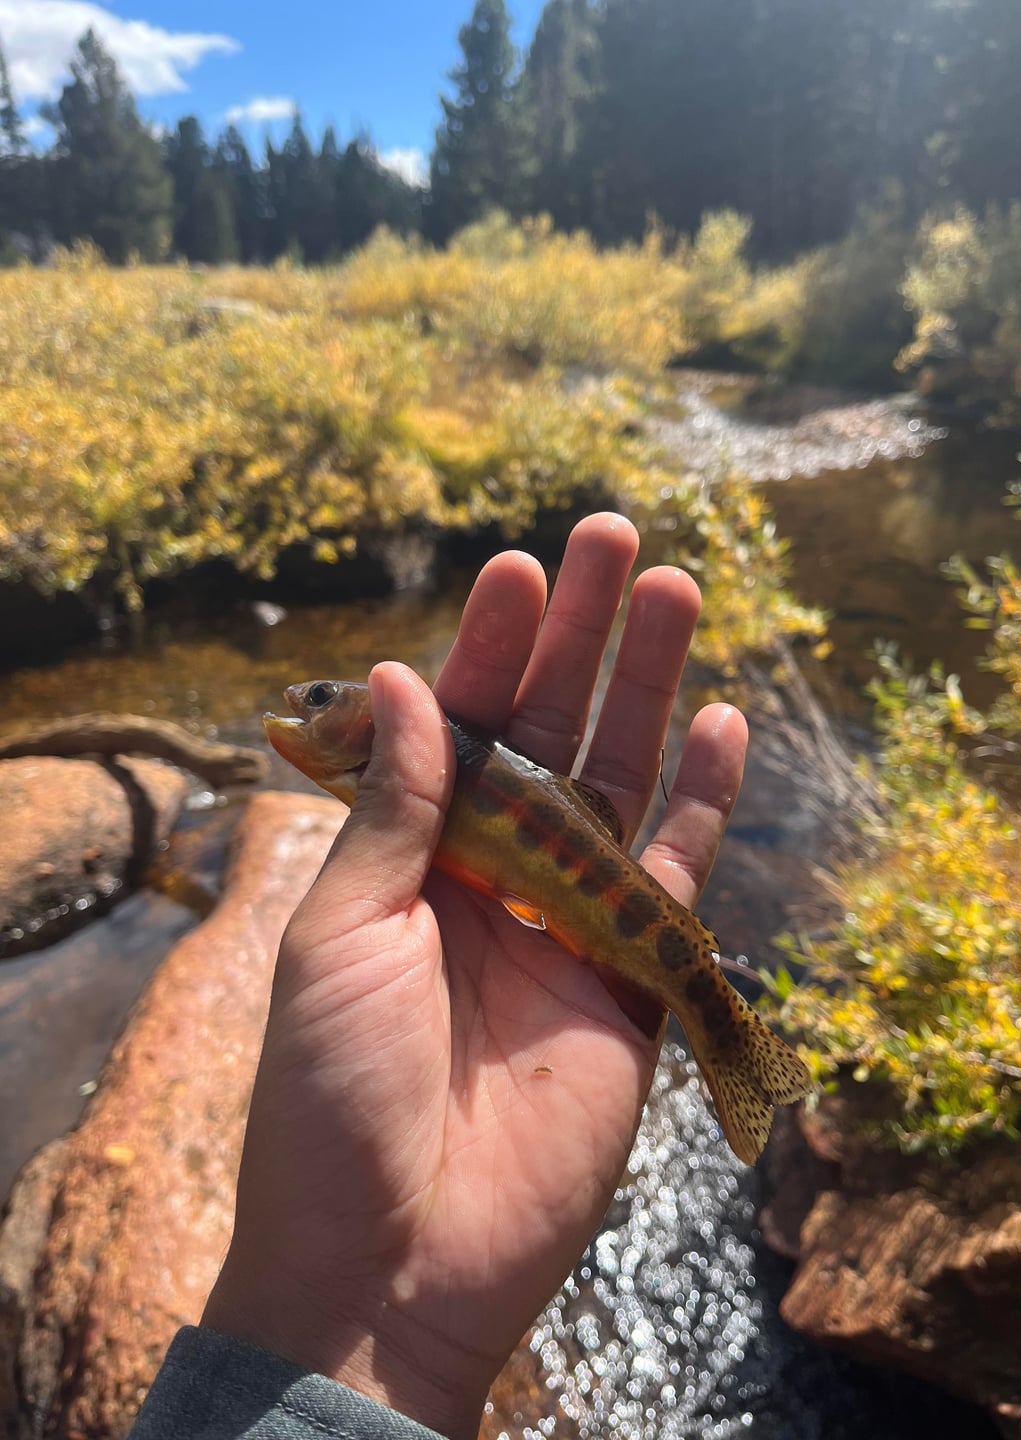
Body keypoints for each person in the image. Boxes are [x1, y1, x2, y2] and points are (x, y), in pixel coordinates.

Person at [131, 513, 749, 1440]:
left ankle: (726, 1028)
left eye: (320, 699)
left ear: (375, 727)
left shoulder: (394, 762)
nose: (304, 708)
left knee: (671, 968)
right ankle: (721, 1021)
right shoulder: (387, 774)